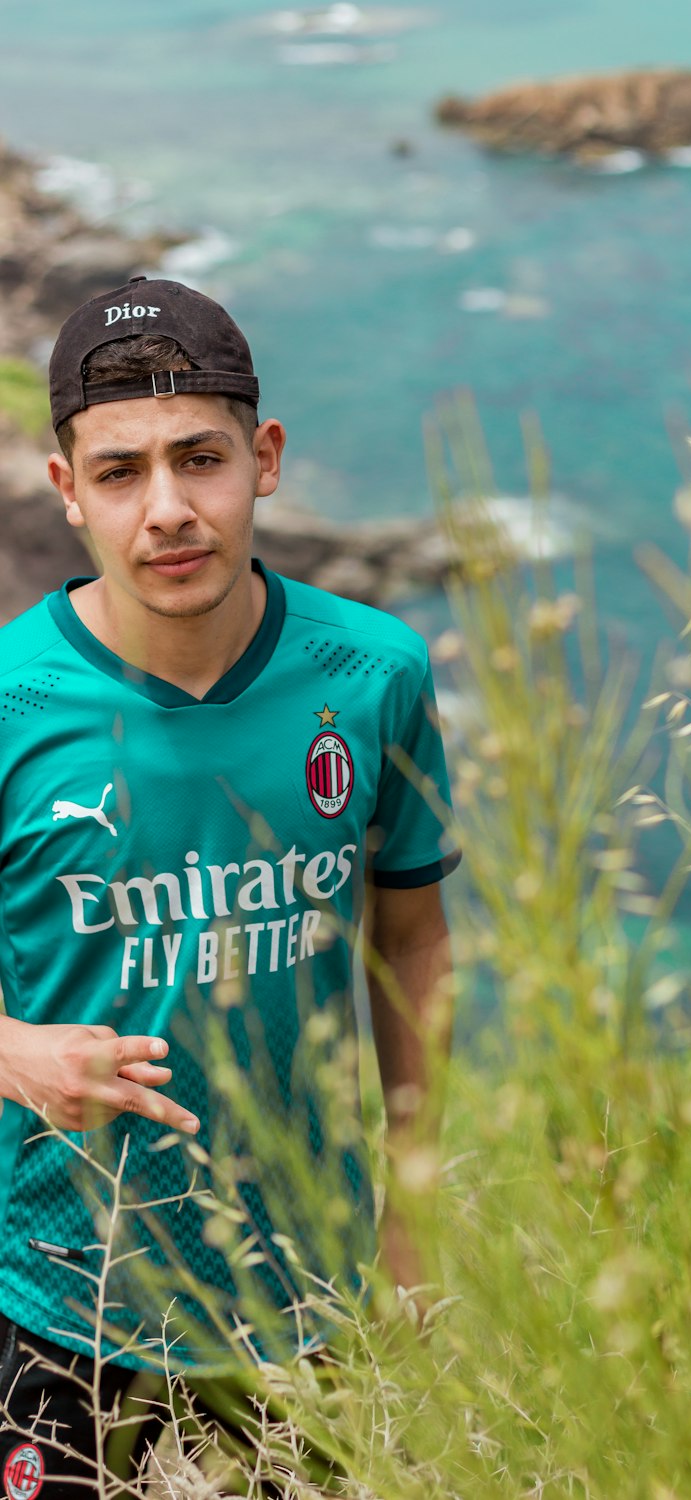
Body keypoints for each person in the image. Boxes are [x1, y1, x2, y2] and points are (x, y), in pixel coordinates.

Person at [0, 276, 460, 1496]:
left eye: (199, 459)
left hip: (307, 1295)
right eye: (119, 472)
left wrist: (409, 1223)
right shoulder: (9, 701)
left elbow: (411, 941)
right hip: (56, 1291)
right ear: (67, 493)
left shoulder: (374, 674)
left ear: (264, 459)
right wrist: (13, 1052)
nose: (166, 511)